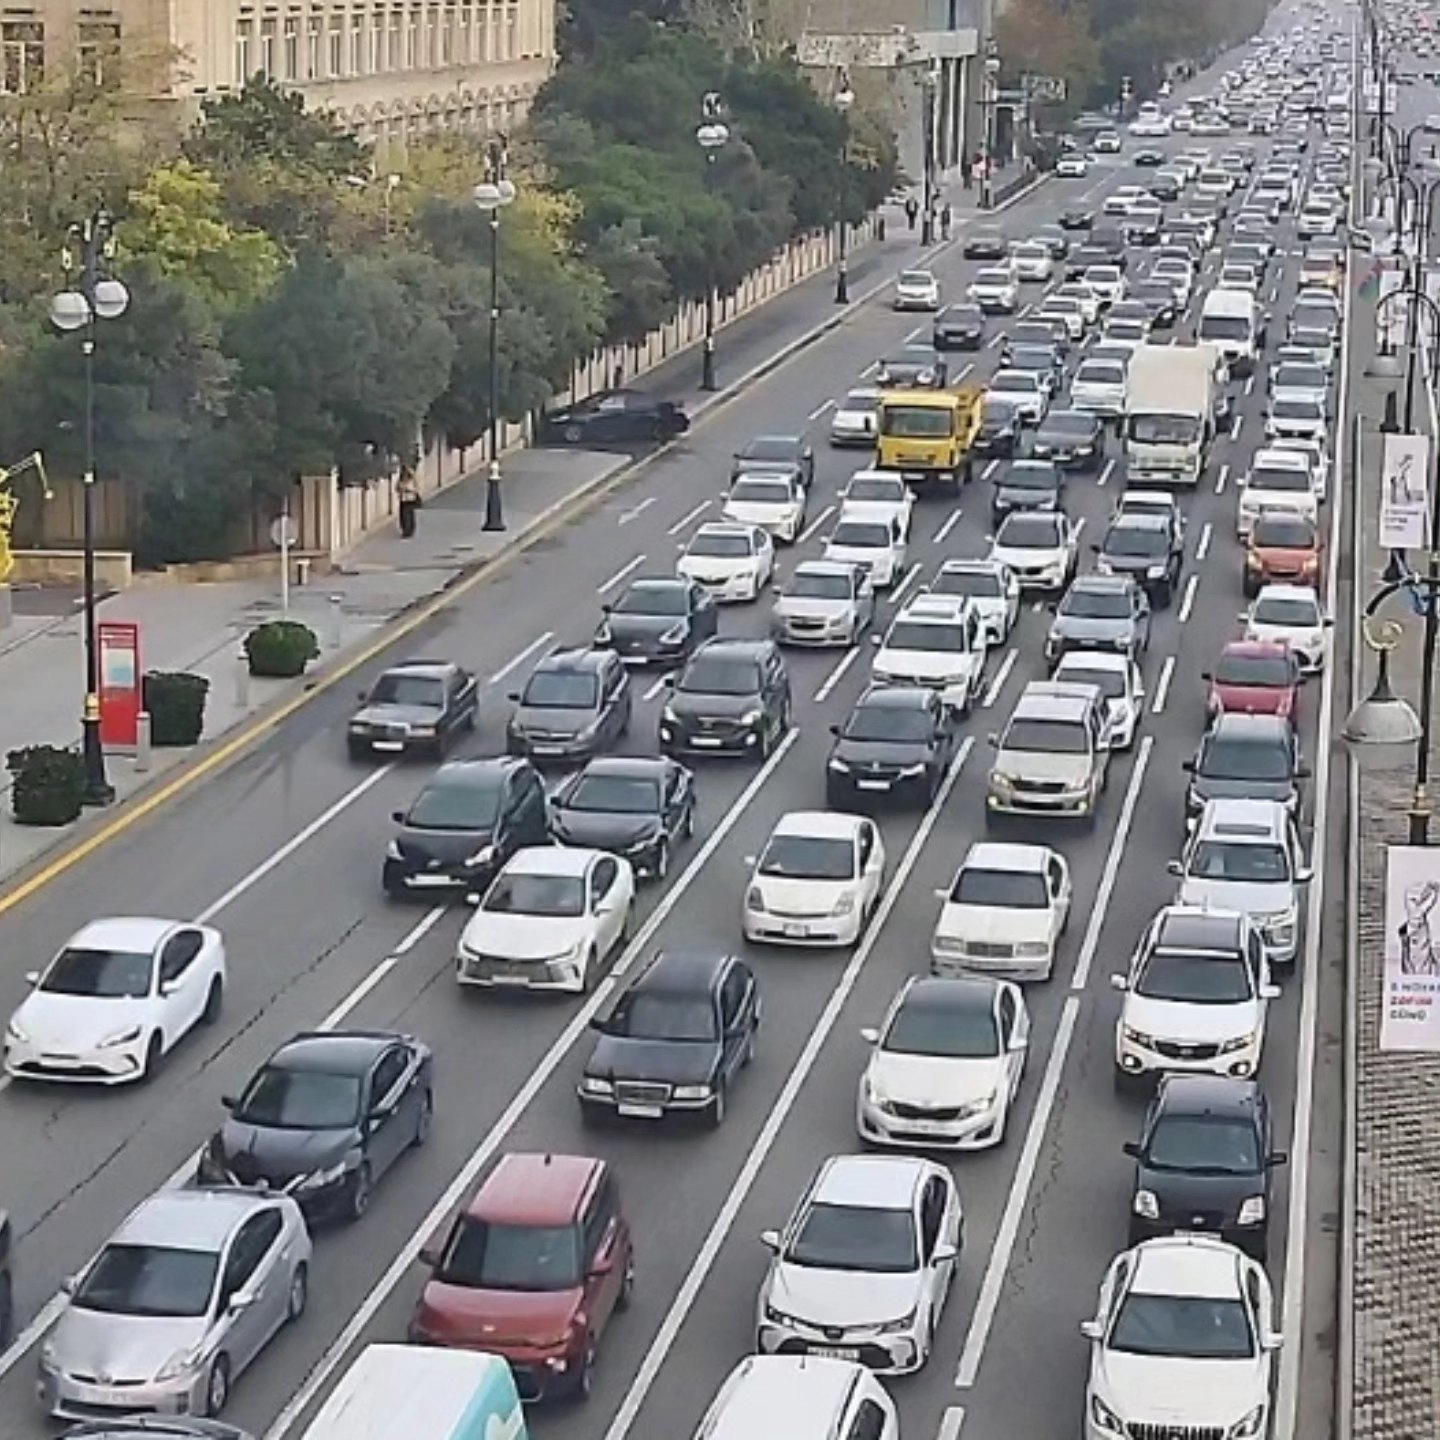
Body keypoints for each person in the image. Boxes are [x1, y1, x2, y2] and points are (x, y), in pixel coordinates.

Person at [397, 473, 421, 539]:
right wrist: (401, 489)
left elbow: (416, 489)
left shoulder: (412, 480)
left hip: (410, 499)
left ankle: (408, 531)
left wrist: (408, 490)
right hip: (403, 500)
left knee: (407, 515)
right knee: (405, 515)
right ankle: (408, 530)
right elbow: (397, 488)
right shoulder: (401, 481)